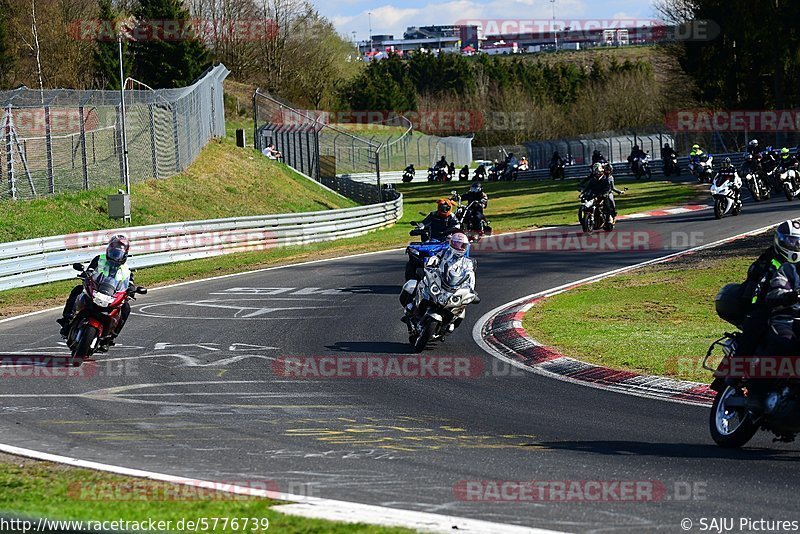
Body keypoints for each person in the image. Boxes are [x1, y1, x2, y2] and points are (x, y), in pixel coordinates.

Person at [57, 235, 134, 341]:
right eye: (113, 252)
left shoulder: (126, 270)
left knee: (126, 308)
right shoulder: (99, 259)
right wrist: (86, 274)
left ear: (125, 254)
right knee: (77, 289)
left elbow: (130, 282)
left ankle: (111, 336)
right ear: (108, 249)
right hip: (96, 288)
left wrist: (132, 289)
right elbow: (91, 269)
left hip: (111, 295)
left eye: (118, 254)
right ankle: (67, 319)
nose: (115, 256)